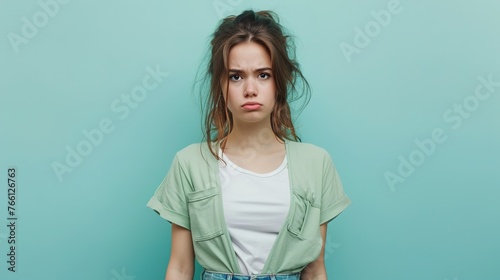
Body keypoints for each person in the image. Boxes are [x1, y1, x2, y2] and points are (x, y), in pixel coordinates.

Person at [146, 9, 351, 280]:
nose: (250, 89)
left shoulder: (316, 163)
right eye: (236, 76)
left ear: (280, 82)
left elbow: (314, 270)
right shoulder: (190, 163)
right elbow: (181, 267)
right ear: (221, 86)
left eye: (263, 75)